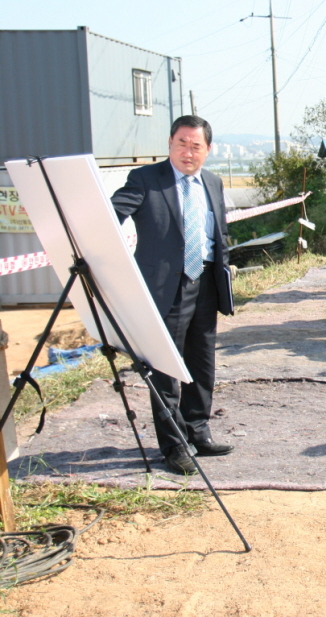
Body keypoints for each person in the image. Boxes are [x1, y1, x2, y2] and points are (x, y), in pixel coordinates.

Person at [110, 115, 234, 476]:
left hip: (207, 284)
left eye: (196, 146)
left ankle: (198, 431)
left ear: (208, 150)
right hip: (166, 288)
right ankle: (174, 445)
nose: (188, 152)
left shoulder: (212, 181)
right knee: (165, 369)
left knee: (202, 364)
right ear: (169, 143)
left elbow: (219, 234)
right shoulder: (146, 179)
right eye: (182, 143)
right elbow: (112, 213)